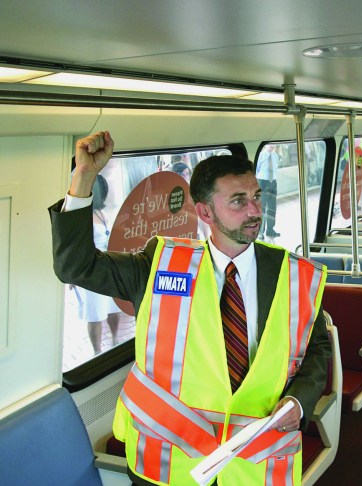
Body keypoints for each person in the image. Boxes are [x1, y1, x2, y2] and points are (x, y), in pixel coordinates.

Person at [49, 132, 330, 486]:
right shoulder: (160, 266)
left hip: (255, 465)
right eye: (239, 201)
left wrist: (299, 402)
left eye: (257, 197)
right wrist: (83, 179)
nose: (256, 210)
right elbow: (76, 267)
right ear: (204, 212)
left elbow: (317, 349)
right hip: (169, 461)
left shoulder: (295, 276)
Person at [71, 173, 121, 354]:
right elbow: (76, 247)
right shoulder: (82, 216)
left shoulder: (102, 212)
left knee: (114, 306)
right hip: (91, 273)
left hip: (109, 268)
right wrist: (73, 277)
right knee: (94, 313)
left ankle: (115, 340)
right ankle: (97, 351)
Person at [256, 144, 280, 238]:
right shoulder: (261, 155)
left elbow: (275, 169)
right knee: (262, 208)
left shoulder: (275, 156)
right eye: (269, 145)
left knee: (272, 208)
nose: (271, 146)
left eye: (273, 145)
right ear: (266, 146)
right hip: (263, 182)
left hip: (273, 182)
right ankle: (260, 232)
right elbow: (257, 169)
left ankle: (270, 230)